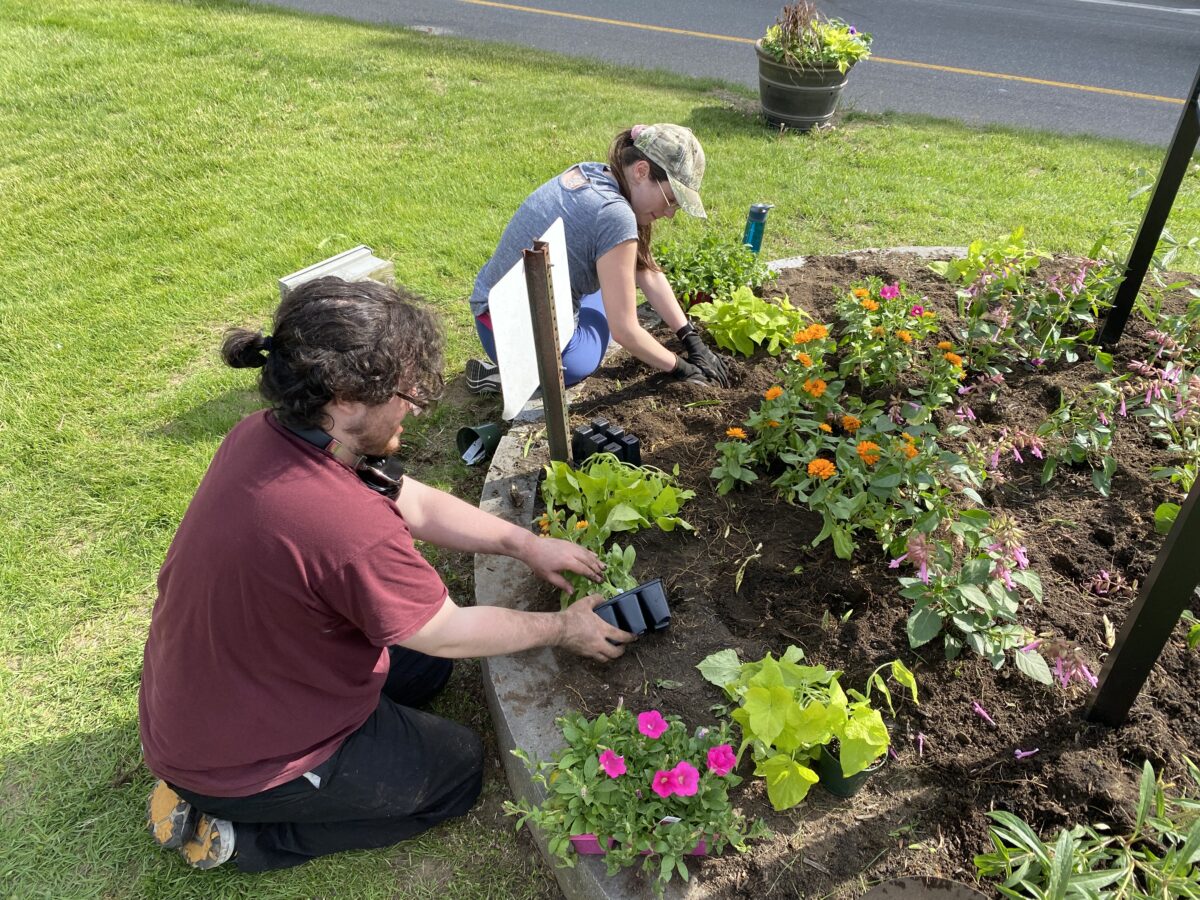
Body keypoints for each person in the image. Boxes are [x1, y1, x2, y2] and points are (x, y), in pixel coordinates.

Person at [138, 276, 633, 873]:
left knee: (424, 673)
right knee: (457, 771)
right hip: (238, 758)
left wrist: (523, 543)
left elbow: (413, 502)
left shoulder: (272, 435)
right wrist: (563, 629)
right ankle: (241, 835)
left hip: (230, 682)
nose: (417, 404)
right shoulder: (344, 527)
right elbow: (446, 631)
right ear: (345, 397)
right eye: (405, 391)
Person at [465, 123, 730, 394]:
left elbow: (646, 270)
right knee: (586, 356)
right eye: (670, 199)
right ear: (641, 171)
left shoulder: (595, 172)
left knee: (617, 282)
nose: (671, 213)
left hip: (491, 315)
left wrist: (691, 338)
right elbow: (625, 331)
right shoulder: (615, 214)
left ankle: (516, 372)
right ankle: (517, 379)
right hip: (517, 343)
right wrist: (682, 368)